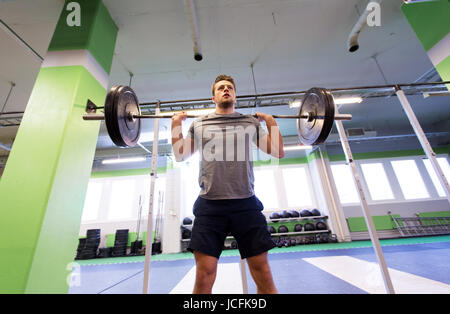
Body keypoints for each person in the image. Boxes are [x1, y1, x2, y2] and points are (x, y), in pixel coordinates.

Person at [171, 74, 284, 294]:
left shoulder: (249, 122)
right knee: (204, 275)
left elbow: (277, 151)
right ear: (213, 97)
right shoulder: (200, 123)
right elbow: (179, 154)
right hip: (210, 206)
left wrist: (271, 122)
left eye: (229, 87)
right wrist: (176, 125)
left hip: (246, 204)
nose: (226, 90)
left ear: (235, 95)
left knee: (264, 274)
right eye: (221, 88)